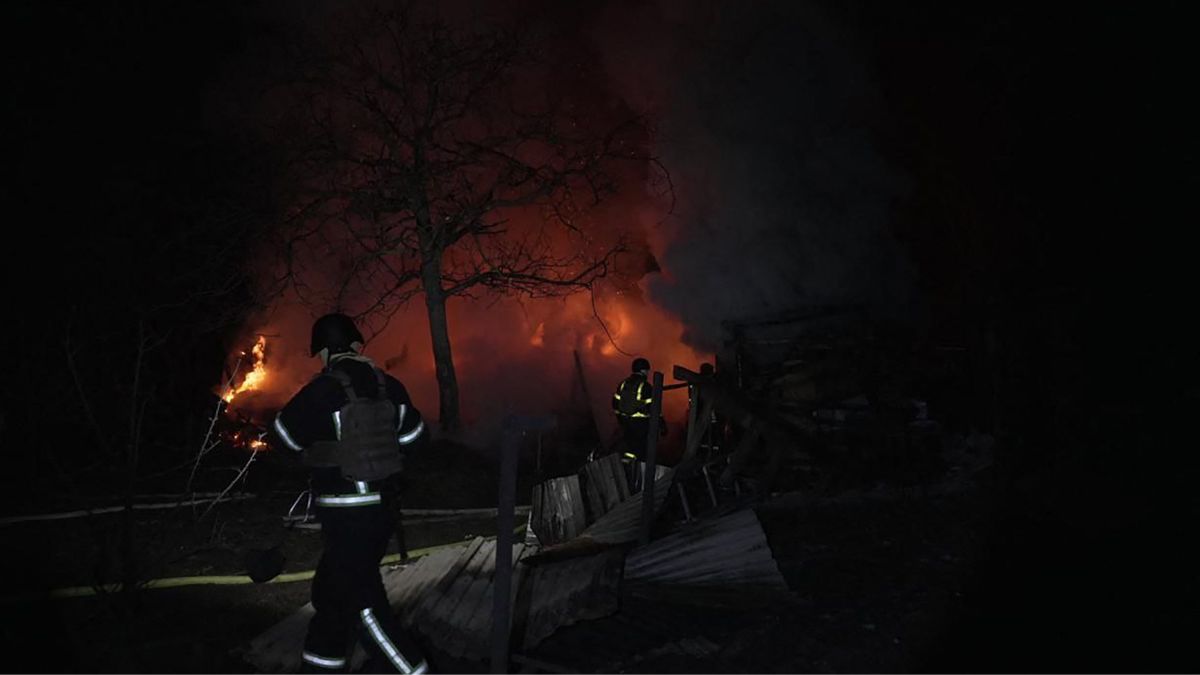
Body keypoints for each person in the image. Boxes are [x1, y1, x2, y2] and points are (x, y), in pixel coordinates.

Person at [271, 313, 429, 673]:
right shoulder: (390, 387)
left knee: (365, 610)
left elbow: (282, 438)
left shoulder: (321, 391)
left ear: (323, 352)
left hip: (344, 518)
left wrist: (320, 449)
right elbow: (416, 440)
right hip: (382, 513)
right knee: (332, 599)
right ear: (357, 345)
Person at [611, 357, 664, 489]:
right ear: (644, 371)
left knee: (629, 450)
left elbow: (615, 403)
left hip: (626, 423)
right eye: (647, 370)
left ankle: (626, 475)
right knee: (642, 452)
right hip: (641, 424)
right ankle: (641, 483)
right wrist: (662, 425)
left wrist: (620, 419)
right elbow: (654, 408)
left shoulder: (623, 384)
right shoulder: (645, 386)